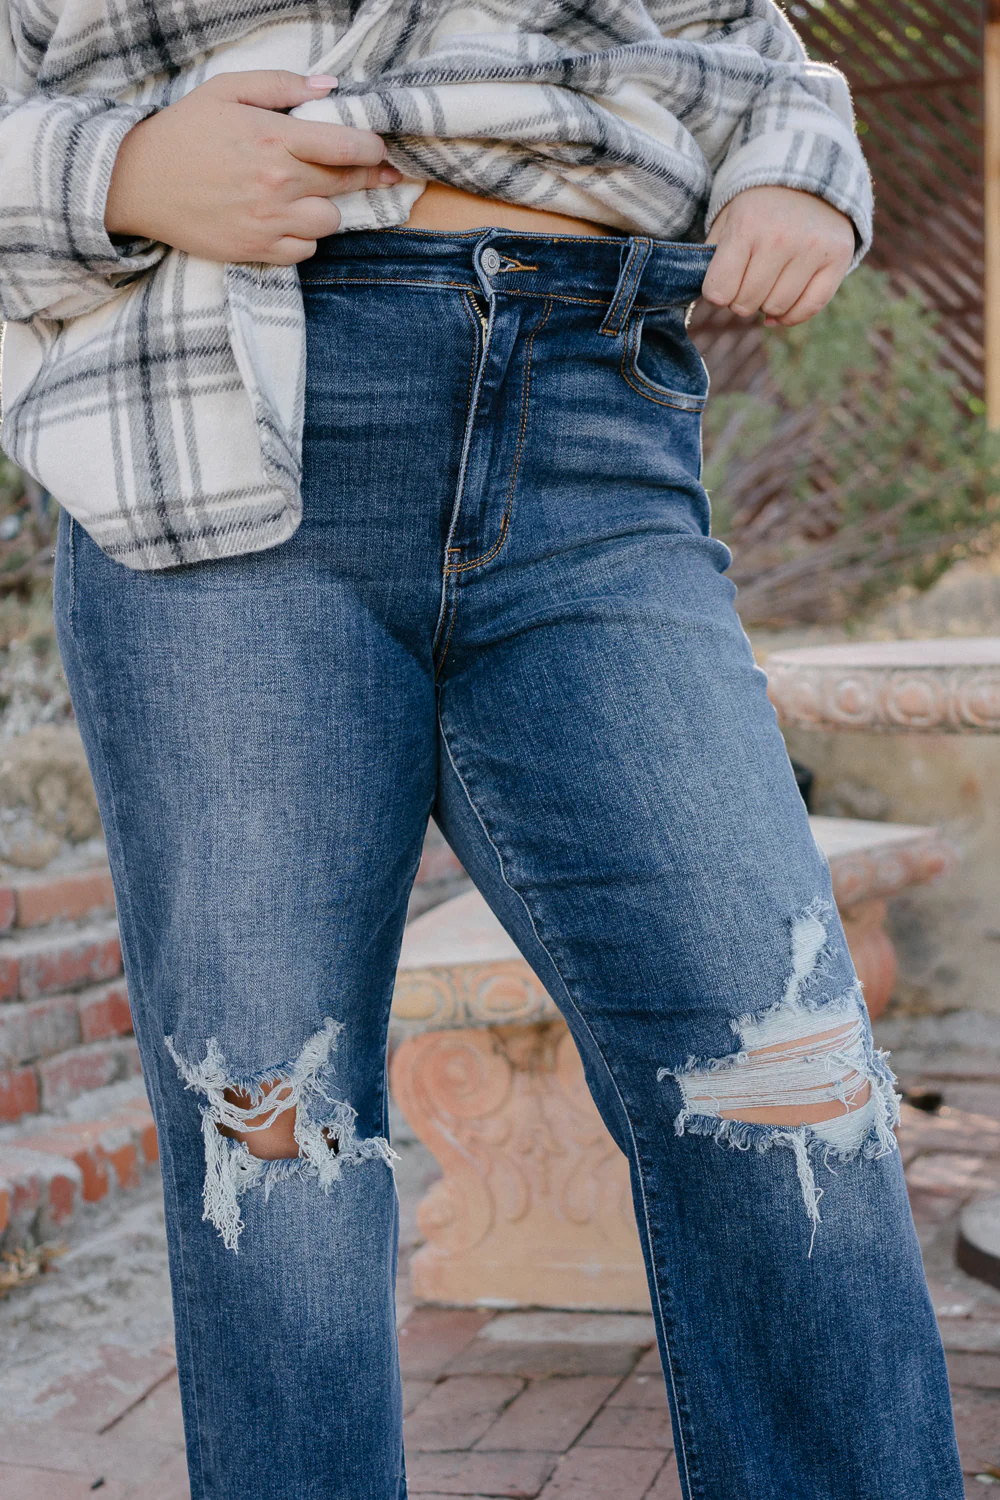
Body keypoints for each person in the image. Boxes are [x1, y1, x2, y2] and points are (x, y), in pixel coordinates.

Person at [0, 3, 963, 1497]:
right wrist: (113, 171)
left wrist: (800, 174)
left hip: (597, 418)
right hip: (221, 413)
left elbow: (757, 50)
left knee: (791, 1082)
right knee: (273, 1140)